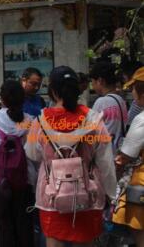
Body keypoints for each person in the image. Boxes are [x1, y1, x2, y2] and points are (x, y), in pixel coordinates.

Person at [25, 66, 116, 247]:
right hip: (87, 195)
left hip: (51, 196)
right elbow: (106, 162)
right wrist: (111, 195)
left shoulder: (40, 121)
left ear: (52, 91)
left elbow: (32, 153)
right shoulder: (94, 119)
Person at [0, 80, 34, 247]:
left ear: (2, 99)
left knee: (1, 223)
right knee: (23, 224)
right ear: (23, 99)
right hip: (24, 180)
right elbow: (35, 153)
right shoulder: (30, 122)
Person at [112, 67, 144, 246]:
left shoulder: (142, 119)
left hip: (141, 182)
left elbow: (126, 155)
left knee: (140, 234)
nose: (132, 93)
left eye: (134, 88)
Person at [90, 61, 128, 153]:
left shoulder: (101, 102)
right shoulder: (121, 101)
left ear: (100, 81)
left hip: (105, 155)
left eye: (92, 82)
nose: (92, 86)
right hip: (117, 152)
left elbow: (91, 130)